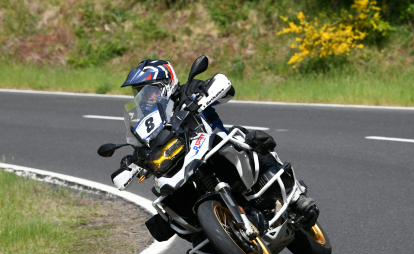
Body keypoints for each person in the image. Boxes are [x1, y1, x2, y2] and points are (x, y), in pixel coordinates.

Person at [120, 58, 319, 227]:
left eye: (148, 90)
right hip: (183, 166)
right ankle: (206, 230)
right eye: (139, 92)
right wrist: (132, 160)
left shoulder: (188, 90)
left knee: (246, 137)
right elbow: (144, 144)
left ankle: (295, 197)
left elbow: (226, 88)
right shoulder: (148, 120)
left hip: (216, 145)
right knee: (165, 202)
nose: (144, 97)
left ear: (165, 83)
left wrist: (207, 92)